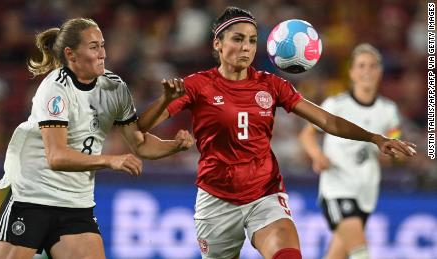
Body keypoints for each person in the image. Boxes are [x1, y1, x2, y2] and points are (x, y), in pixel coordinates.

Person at [138, 7, 416, 259]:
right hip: (216, 200)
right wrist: (164, 100)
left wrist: (375, 138)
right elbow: (141, 127)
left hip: (264, 194)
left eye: (251, 40)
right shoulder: (198, 85)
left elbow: (327, 121)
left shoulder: (271, 85)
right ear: (217, 44)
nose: (246, 47)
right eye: (237, 39)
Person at [0, 18, 194, 259]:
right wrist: (110, 161)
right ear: (71, 54)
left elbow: (139, 144)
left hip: (76, 203)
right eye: (94, 47)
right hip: (32, 196)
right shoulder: (55, 89)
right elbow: (56, 156)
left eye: (103, 45)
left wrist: (175, 145)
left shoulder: (114, 88)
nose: (102, 54)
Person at [298, 43, 405, 259]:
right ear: (352, 72)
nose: (367, 71)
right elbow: (307, 134)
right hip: (337, 189)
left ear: (380, 71)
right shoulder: (336, 105)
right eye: (362, 65)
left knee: (338, 255)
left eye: (373, 66)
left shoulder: (389, 110)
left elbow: (396, 142)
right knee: (360, 252)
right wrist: (318, 155)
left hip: (366, 192)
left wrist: (394, 154)